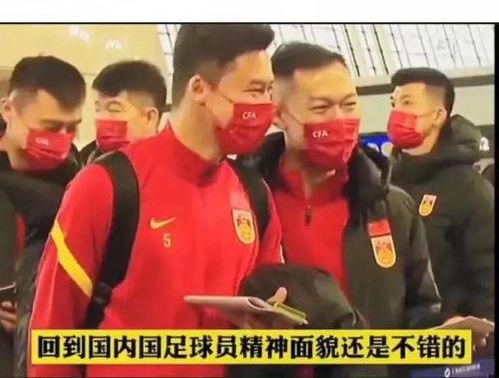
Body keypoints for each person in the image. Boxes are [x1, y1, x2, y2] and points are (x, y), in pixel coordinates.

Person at [29, 24, 283, 378]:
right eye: (255, 90)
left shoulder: (254, 195)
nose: (267, 106)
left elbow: (270, 315)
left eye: (269, 90)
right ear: (199, 88)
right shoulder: (105, 186)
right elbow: (53, 332)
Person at [239, 42, 443, 377]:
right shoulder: (244, 202)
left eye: (349, 105)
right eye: (321, 108)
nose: (340, 120)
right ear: (277, 113)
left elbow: (421, 309)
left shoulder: (392, 206)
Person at [0, 56, 85, 376]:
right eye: (50, 127)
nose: (61, 138)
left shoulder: (81, 184)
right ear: (8, 109)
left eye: (71, 128)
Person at [387, 67, 495, 321]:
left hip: (449, 334)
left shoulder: (469, 189)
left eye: (407, 103)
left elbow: (488, 278)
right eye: (394, 103)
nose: (397, 112)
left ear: (438, 115)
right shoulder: (382, 182)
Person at [79, 60, 167, 164]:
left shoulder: (173, 166)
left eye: (114, 109)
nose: (101, 117)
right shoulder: (83, 161)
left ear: (149, 118)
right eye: (97, 109)